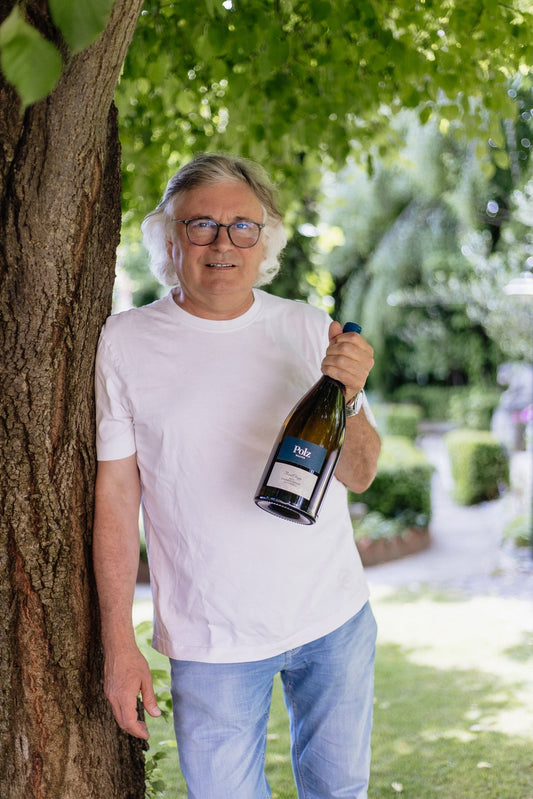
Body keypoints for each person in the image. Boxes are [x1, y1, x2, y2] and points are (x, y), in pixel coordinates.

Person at [93, 153, 381, 799]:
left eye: (242, 226)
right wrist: (119, 643)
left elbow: (359, 473)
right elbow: (115, 496)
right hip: (210, 638)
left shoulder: (309, 329)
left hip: (331, 619)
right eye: (201, 225)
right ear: (170, 241)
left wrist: (352, 393)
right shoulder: (124, 341)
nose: (223, 242)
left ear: (266, 240)